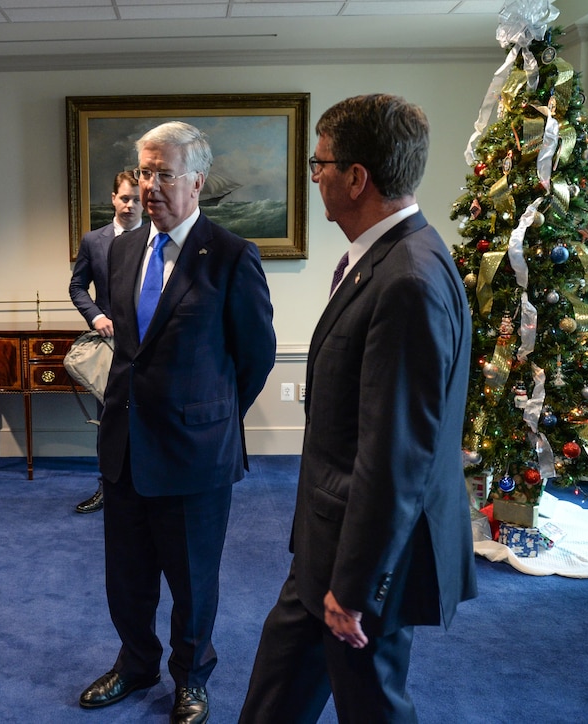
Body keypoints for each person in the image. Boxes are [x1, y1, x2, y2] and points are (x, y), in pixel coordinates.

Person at [239, 94, 477, 724]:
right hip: (327, 544)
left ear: (355, 177)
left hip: (362, 562)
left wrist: (353, 588)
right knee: (274, 696)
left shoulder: (408, 279)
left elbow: (396, 455)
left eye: (319, 164)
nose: (313, 177)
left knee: (373, 706)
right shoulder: (388, 257)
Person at [78, 122, 275, 724]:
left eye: (165, 174)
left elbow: (256, 357)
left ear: (196, 180)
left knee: (193, 583)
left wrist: (210, 416)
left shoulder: (233, 255)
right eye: (144, 173)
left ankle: (191, 678)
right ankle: (135, 664)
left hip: (195, 455)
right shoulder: (121, 250)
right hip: (126, 449)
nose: (151, 187)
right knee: (127, 579)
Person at [68, 170, 143, 514]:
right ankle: (107, 488)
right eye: (124, 198)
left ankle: (145, 488)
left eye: (137, 199)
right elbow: (77, 286)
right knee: (109, 418)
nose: (130, 205)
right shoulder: (93, 241)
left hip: (148, 344)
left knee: (148, 414)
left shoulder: (157, 239)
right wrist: (96, 316)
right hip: (109, 345)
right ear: (113, 198)